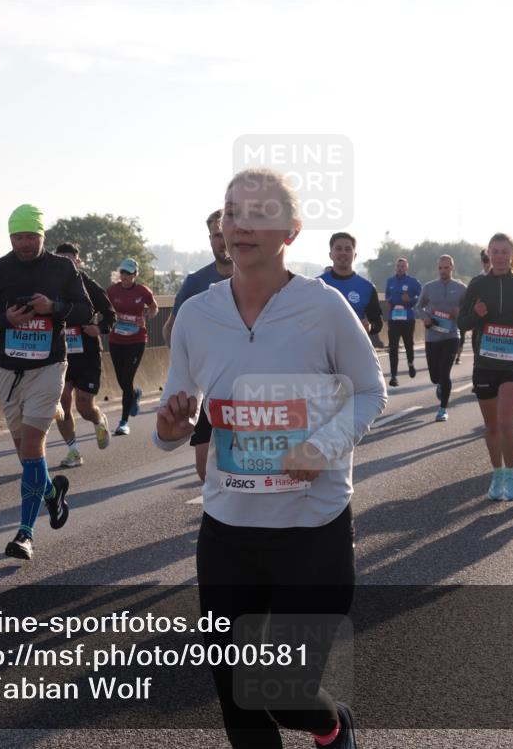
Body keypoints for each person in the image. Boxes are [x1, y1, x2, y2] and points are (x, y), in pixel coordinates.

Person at [155, 168, 386, 749]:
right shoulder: (196, 315)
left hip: (312, 530)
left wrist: (324, 445)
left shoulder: (325, 308)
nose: (240, 225)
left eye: (259, 214)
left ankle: (332, 725)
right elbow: (174, 415)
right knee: (238, 700)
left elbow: (369, 390)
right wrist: (169, 426)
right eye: (232, 212)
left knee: (283, 692)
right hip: (227, 531)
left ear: (292, 230)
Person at [0, 204, 93, 560]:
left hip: (49, 366)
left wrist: (54, 308)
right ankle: (52, 494)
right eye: (18, 237)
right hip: (9, 370)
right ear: (10, 237)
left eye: (31, 237)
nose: (24, 243)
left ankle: (25, 534)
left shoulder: (62, 268)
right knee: (26, 454)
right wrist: (5, 319)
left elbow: (86, 311)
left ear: (42, 235)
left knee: (34, 445)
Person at [458, 234, 513, 501]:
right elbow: (462, 323)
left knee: (505, 422)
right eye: (496, 251)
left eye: (505, 252)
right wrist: (476, 314)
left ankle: (512, 477)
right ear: (489, 255)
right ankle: (497, 475)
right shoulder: (477, 285)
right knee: (492, 426)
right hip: (485, 364)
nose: (500, 256)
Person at [162, 209, 234, 481]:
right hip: (209, 384)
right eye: (216, 235)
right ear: (210, 239)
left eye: (226, 233)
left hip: (250, 385)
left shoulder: (259, 280)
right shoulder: (196, 282)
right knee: (205, 472)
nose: (222, 241)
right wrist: (187, 364)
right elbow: (171, 328)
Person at [52, 243, 117, 467]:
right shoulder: (50, 285)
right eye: (61, 260)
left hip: (87, 352)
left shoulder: (88, 284)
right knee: (62, 402)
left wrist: (99, 328)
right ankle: (73, 451)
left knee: (84, 405)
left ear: (78, 262)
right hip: (61, 351)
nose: (65, 264)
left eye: (69, 260)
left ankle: (98, 419)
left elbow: (110, 313)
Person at [106, 258, 158, 435]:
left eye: (128, 273)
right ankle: (134, 394)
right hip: (116, 340)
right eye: (122, 272)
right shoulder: (112, 291)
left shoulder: (142, 291)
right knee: (122, 380)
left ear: (135, 274)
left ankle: (123, 422)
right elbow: (103, 308)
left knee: (127, 379)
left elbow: (154, 307)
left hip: (136, 340)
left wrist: (146, 317)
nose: (125, 276)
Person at [416, 254, 466, 421]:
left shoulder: (461, 288)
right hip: (432, 336)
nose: (443, 271)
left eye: (446, 268)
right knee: (435, 376)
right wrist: (425, 318)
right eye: (440, 268)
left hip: (451, 335)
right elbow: (418, 307)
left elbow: (469, 308)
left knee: (445, 373)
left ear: (452, 267)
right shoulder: (429, 287)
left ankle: (443, 409)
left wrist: (461, 312)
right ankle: (439, 384)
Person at [318, 232, 384, 339]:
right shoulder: (316, 285)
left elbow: (377, 322)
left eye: (348, 249)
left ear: (355, 255)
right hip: (323, 346)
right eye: (338, 249)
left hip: (355, 346)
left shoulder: (368, 288)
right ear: (330, 254)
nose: (343, 253)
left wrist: (370, 327)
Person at [385, 257, 421, 387]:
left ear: (407, 268)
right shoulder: (390, 281)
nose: (400, 268)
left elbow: (421, 296)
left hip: (407, 317)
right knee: (393, 347)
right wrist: (389, 301)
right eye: (398, 266)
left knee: (408, 344)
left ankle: (410, 364)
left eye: (403, 266)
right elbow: (387, 295)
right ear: (395, 267)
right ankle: (393, 376)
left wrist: (410, 299)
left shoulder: (412, 281)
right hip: (394, 317)